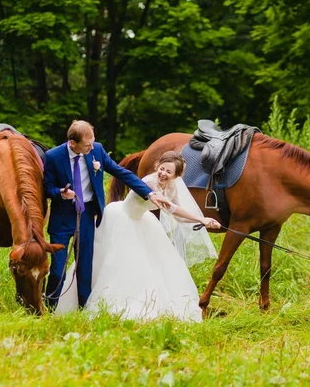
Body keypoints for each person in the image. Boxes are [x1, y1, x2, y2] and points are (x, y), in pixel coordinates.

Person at [56, 151, 221, 321]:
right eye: (162, 169)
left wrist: (203, 222)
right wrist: (201, 217)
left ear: (176, 177)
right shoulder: (150, 182)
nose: (163, 174)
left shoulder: (171, 187)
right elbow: (170, 208)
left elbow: (178, 216)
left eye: (169, 172)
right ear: (157, 165)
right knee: (114, 262)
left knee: (155, 264)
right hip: (122, 219)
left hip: (142, 220)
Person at [43, 120, 168, 310]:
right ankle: (49, 308)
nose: (91, 147)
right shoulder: (53, 156)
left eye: (92, 142)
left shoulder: (97, 150)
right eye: (87, 145)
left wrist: (148, 192)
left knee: (85, 266)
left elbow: (120, 172)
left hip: (87, 216)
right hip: (62, 218)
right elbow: (47, 188)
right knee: (57, 269)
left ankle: (84, 307)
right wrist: (60, 193)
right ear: (72, 143)